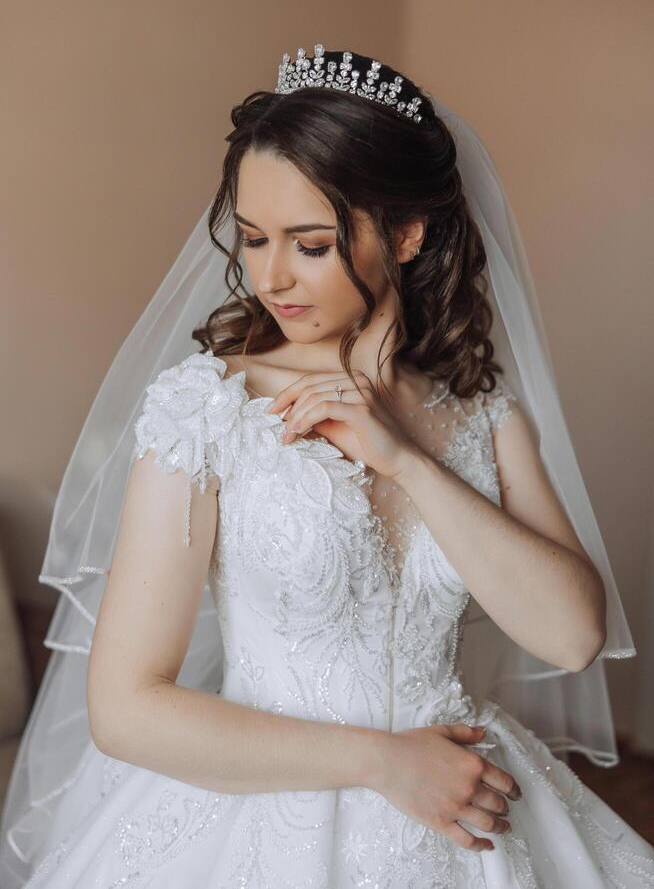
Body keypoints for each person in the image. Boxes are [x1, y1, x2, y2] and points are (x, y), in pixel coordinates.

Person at [1, 44, 653, 887]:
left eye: (310, 243)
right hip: (261, 815)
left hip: (469, 807)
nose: (272, 277)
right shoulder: (207, 408)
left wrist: (408, 461)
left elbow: (572, 637)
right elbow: (125, 709)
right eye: (255, 238)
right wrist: (382, 762)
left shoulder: (482, 415)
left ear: (409, 234)